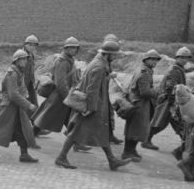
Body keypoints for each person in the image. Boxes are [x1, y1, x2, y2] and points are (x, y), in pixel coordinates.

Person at [54, 40, 132, 171]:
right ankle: (61, 157)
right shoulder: (99, 67)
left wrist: (108, 74)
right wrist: (90, 108)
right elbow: (92, 89)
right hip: (92, 106)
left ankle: (112, 160)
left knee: (102, 132)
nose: (115, 57)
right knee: (76, 132)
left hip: (94, 105)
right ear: (107, 54)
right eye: (113, 55)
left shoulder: (99, 63)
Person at [32, 36, 91, 153]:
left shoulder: (69, 60)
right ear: (66, 49)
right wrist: (67, 98)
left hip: (63, 96)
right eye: (72, 48)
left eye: (75, 48)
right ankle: (29, 136)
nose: (74, 50)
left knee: (65, 119)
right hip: (60, 96)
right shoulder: (63, 62)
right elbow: (60, 82)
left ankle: (77, 142)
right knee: (44, 118)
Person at [145, 46, 193, 156]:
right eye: (183, 58)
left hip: (172, 102)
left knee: (177, 124)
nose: (185, 60)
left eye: (187, 58)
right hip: (169, 102)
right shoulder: (174, 70)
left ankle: (185, 146)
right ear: (178, 58)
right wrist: (174, 103)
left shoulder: (178, 69)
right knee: (162, 123)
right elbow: (170, 87)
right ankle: (146, 140)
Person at [121, 49, 161, 162]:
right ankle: (127, 152)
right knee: (135, 129)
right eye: (152, 59)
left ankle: (131, 151)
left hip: (137, 102)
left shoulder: (144, 70)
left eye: (156, 60)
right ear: (146, 59)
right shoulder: (144, 73)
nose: (155, 62)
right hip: (140, 104)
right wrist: (157, 91)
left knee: (136, 129)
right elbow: (145, 92)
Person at [103, 33, 124, 145]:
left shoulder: (107, 61)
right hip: (99, 93)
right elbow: (98, 78)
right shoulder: (100, 62)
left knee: (108, 114)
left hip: (104, 91)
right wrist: (109, 76)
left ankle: (110, 135)